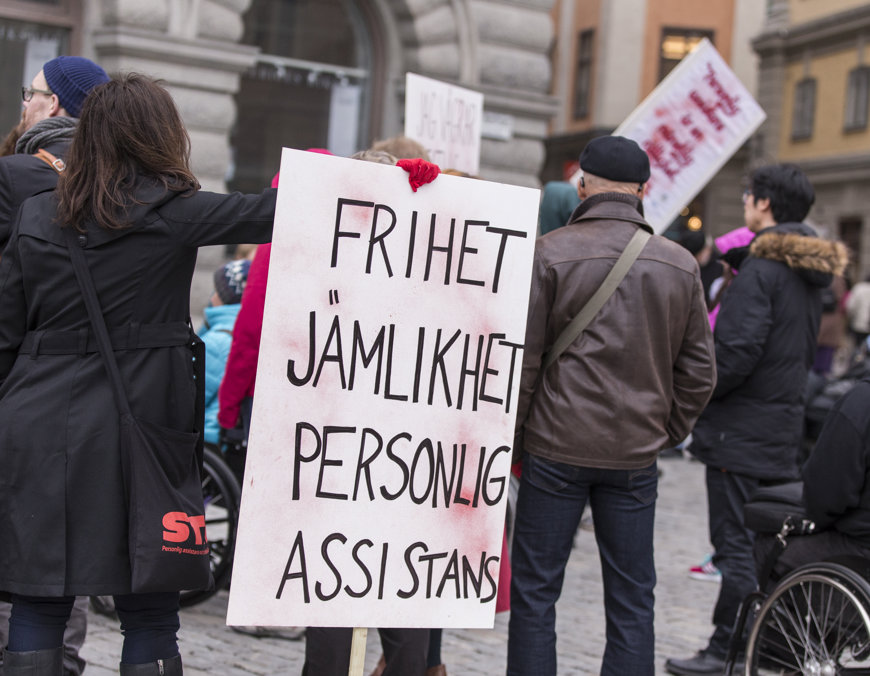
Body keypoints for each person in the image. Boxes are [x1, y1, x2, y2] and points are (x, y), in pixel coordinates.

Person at [0, 73, 278, 675]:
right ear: (160, 136)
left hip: (37, 423)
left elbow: (5, 335)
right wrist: (383, 179)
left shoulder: (35, 215)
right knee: (149, 606)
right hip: (141, 430)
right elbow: (271, 214)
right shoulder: (174, 213)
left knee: (39, 599)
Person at [508, 135, 716, 676]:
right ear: (644, 190)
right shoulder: (680, 264)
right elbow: (698, 374)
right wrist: (663, 431)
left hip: (555, 446)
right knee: (631, 600)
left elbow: (524, 363)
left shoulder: (550, 251)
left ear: (582, 184)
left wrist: (517, 439)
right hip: (634, 453)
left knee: (535, 595)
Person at [665, 164, 849, 676]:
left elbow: (736, 354)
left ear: (763, 204)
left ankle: (728, 647)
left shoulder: (762, 271)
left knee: (736, 545)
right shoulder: (805, 273)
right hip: (778, 427)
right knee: (764, 545)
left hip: (739, 431)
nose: (745, 202)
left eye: (748, 195)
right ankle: (762, 643)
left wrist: (694, 392)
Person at [0, 55, 109, 676]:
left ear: (58, 105)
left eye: (32, 93)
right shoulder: (125, 181)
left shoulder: (15, 177)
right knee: (58, 546)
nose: (25, 103)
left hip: (22, 379)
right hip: (89, 392)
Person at [754, 370, 870, 585]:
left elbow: (827, 495)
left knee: (769, 547)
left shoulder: (861, 403)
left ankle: (775, 617)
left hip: (858, 549)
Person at [0, 56, 110, 248]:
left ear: (53, 103)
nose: (26, 103)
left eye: (32, 93)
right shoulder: (117, 177)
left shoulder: (10, 174)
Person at [200, 258, 251, 447]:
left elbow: (187, 398)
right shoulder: (239, 333)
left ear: (224, 296)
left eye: (215, 290)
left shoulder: (218, 341)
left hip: (207, 439)